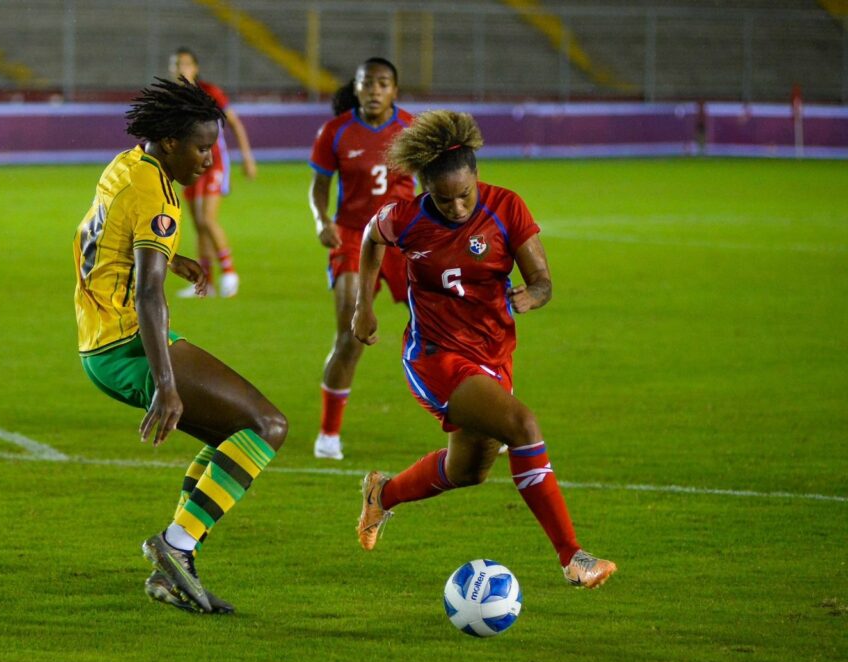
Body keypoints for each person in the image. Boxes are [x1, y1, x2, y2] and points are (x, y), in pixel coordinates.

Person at [351, 110, 616, 589]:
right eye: (444, 198)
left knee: (468, 470)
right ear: (425, 189)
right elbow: (372, 237)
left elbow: (542, 281)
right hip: (436, 356)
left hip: (493, 354)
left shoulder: (506, 207)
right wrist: (363, 306)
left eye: (465, 194)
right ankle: (573, 557)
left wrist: (533, 295)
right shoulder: (405, 217)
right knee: (523, 424)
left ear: (477, 177)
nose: (457, 207)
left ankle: (382, 495)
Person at [72, 77, 287, 614]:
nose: (209, 161)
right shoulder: (158, 197)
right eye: (201, 148)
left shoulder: (127, 164)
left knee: (233, 436)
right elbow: (148, 294)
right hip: (127, 343)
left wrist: (171, 258)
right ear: (169, 142)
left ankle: (175, 566)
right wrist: (166, 386)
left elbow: (108, 242)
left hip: (101, 336)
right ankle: (175, 547)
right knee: (266, 426)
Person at [308, 57, 414, 461]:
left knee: (449, 326)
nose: (374, 90)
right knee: (350, 337)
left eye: (383, 83)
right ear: (356, 88)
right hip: (353, 237)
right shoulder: (335, 132)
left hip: (404, 237)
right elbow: (319, 186)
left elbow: (436, 180)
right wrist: (322, 220)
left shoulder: (412, 129)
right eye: (367, 83)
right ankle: (328, 434)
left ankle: (485, 416)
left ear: (394, 90)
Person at [169, 47, 257, 298]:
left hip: (213, 162)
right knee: (198, 224)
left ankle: (229, 272)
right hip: (190, 166)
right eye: (176, 65)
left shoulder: (209, 93)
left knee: (207, 219)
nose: (181, 69)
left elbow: (234, 123)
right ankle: (204, 283)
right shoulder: (173, 99)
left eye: (186, 64)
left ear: (195, 68)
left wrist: (247, 157)